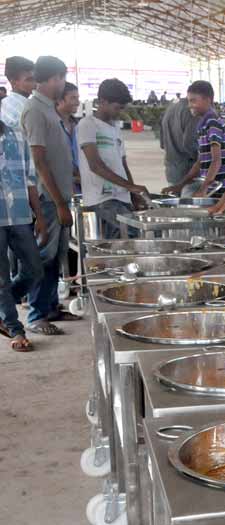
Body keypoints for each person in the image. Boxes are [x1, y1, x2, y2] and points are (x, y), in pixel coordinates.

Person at [21, 55, 80, 335]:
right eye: (61, 78)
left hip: (60, 196)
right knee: (43, 257)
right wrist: (58, 203)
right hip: (48, 199)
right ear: (52, 79)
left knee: (57, 256)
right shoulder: (34, 110)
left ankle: (51, 307)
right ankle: (35, 315)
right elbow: (39, 160)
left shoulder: (50, 111)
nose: (63, 84)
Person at [0, 58, 45, 352]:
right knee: (1, 277)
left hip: (18, 215)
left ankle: (4, 306)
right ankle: (15, 328)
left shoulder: (16, 135)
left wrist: (38, 213)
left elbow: (29, 176)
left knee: (34, 269)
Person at [77, 78, 148, 240]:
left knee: (127, 242)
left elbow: (123, 165)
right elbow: (95, 165)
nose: (119, 112)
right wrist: (131, 186)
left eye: (122, 108)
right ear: (102, 101)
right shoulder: (87, 124)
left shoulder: (115, 128)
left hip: (121, 197)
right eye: (117, 108)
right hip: (102, 199)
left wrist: (133, 192)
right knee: (133, 232)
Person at [162, 81, 225, 198]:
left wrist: (203, 189)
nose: (189, 105)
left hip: (222, 187)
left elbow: (216, 160)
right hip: (212, 187)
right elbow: (200, 162)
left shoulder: (212, 123)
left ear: (207, 100)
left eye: (193, 101)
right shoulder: (203, 125)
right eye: (188, 101)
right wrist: (180, 185)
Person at [160, 91, 199, 193]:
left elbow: (162, 142)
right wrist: (202, 159)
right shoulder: (192, 110)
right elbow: (189, 142)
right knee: (187, 207)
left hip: (171, 167)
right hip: (187, 171)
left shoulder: (171, 107)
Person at [55, 82, 80, 194]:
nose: (78, 102)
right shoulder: (51, 126)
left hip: (80, 187)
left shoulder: (78, 126)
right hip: (58, 189)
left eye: (78, 98)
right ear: (59, 100)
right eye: (73, 98)